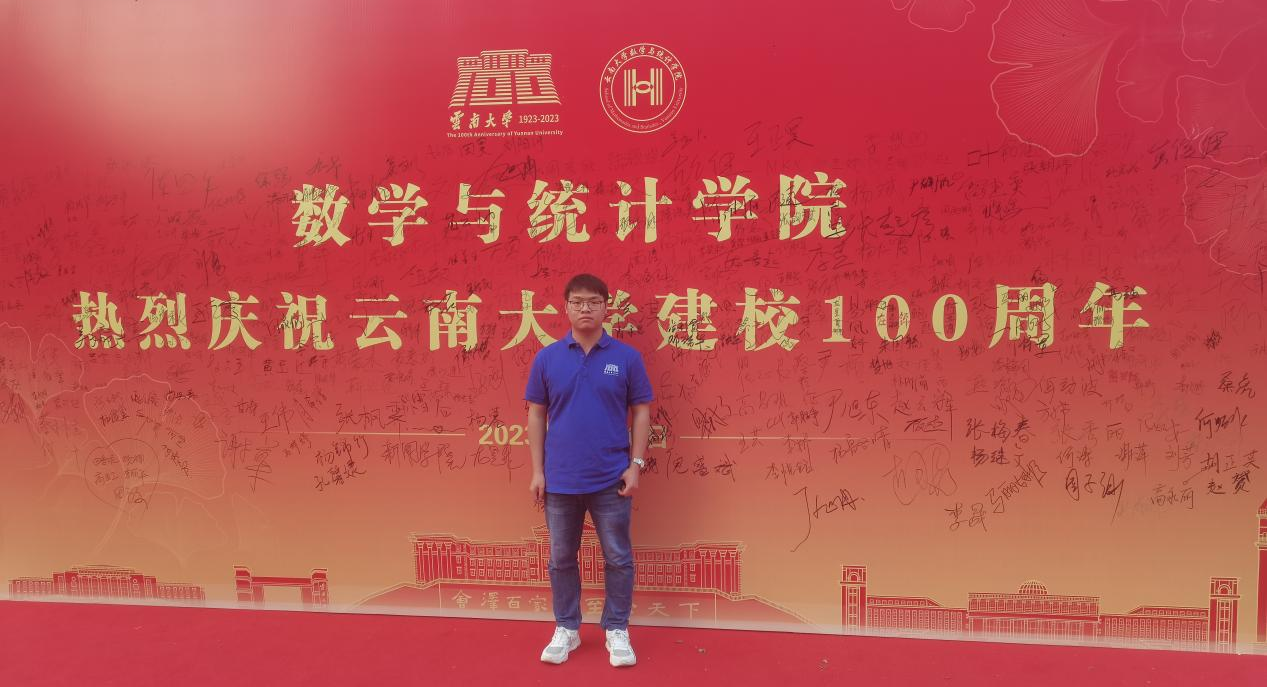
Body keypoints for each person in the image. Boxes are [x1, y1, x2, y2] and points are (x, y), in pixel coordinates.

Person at [525, 273, 653, 667]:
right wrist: (538, 471)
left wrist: (635, 465)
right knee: (561, 558)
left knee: (618, 557)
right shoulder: (547, 358)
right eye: (578, 301)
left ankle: (616, 628)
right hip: (561, 479)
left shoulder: (626, 358)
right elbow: (536, 414)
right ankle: (567, 627)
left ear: (605, 307)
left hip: (611, 477)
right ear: (565, 307)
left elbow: (641, 412)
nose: (586, 308)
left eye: (594, 302)